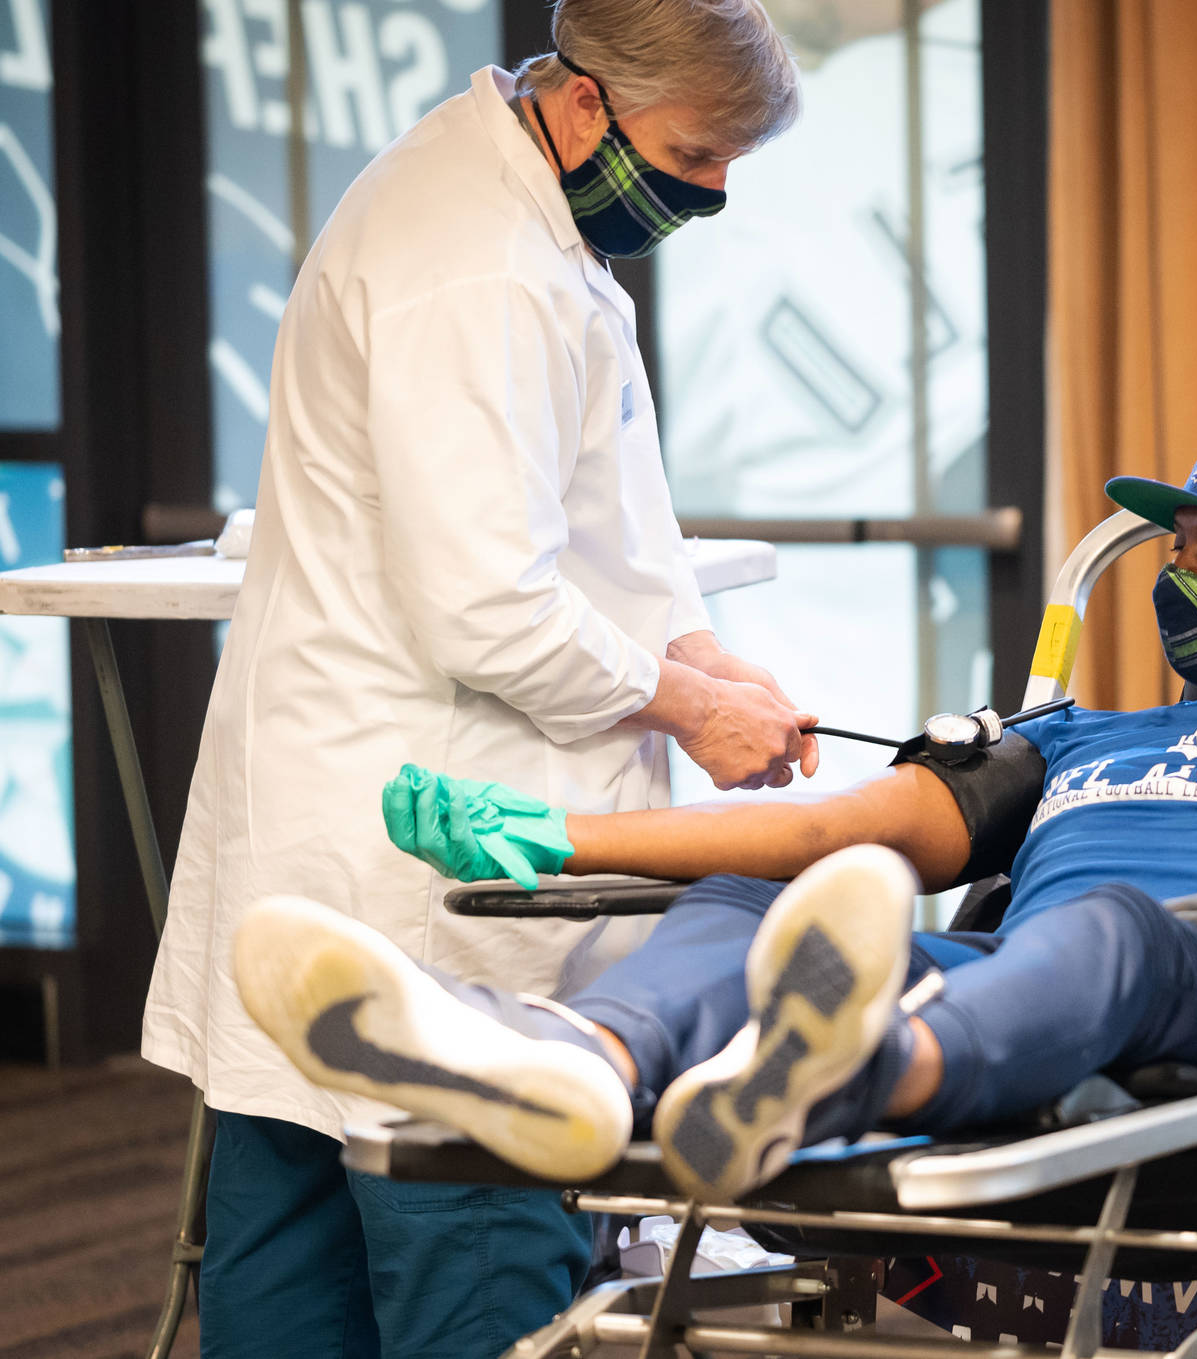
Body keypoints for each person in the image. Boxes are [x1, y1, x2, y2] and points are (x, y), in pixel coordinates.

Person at [233, 426, 1197, 1210]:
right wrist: (552, 833)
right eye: (1175, 552)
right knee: (773, 904)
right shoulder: (1077, 736)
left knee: (1116, 926)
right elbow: (826, 833)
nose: (1183, 578)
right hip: (1019, 1001)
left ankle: (829, 1076)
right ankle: (583, 1057)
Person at [140, 3, 814, 1354]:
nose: (716, 191)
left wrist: (698, 652)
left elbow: (596, 518)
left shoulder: (501, 203)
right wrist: (692, 705)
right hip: (430, 862)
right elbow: (491, 613)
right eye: (697, 152)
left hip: (343, 831)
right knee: (474, 1269)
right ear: (583, 109)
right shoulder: (484, 265)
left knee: (292, 1249)